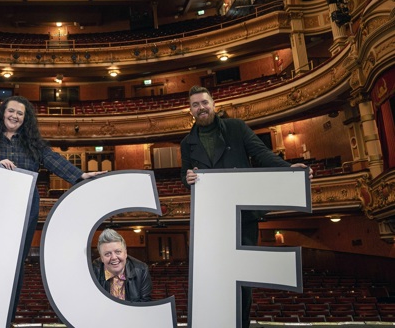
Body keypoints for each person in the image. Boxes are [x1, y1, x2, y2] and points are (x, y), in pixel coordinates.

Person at [180, 85, 312, 328]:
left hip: (243, 216)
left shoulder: (236, 128)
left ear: (214, 105)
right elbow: (184, 177)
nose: (201, 108)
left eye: (204, 102)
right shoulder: (187, 143)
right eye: (195, 105)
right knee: (216, 276)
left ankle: (241, 323)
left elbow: (261, 153)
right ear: (190, 111)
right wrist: (187, 179)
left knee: (242, 278)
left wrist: (287, 169)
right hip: (213, 219)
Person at [0, 96, 106, 313]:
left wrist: (80, 175)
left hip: (23, 208)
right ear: (3, 112)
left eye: (20, 113)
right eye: (11, 111)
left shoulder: (33, 142)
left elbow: (54, 160)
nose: (15, 116)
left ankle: (6, 316)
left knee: (16, 264)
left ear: (25, 118)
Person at [92, 228, 152, 302]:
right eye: (107, 254)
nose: (114, 257)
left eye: (118, 252)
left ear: (125, 253)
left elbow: (144, 304)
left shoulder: (141, 270)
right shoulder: (93, 271)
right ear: (101, 258)